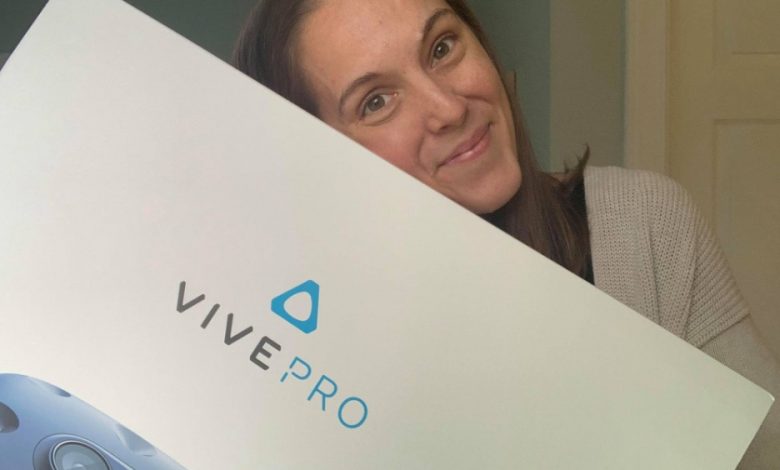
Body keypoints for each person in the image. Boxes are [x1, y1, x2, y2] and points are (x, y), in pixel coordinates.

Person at [232, 0, 780, 467]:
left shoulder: (642, 225)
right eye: (376, 101)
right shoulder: (297, 353)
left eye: (441, 47)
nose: (449, 108)